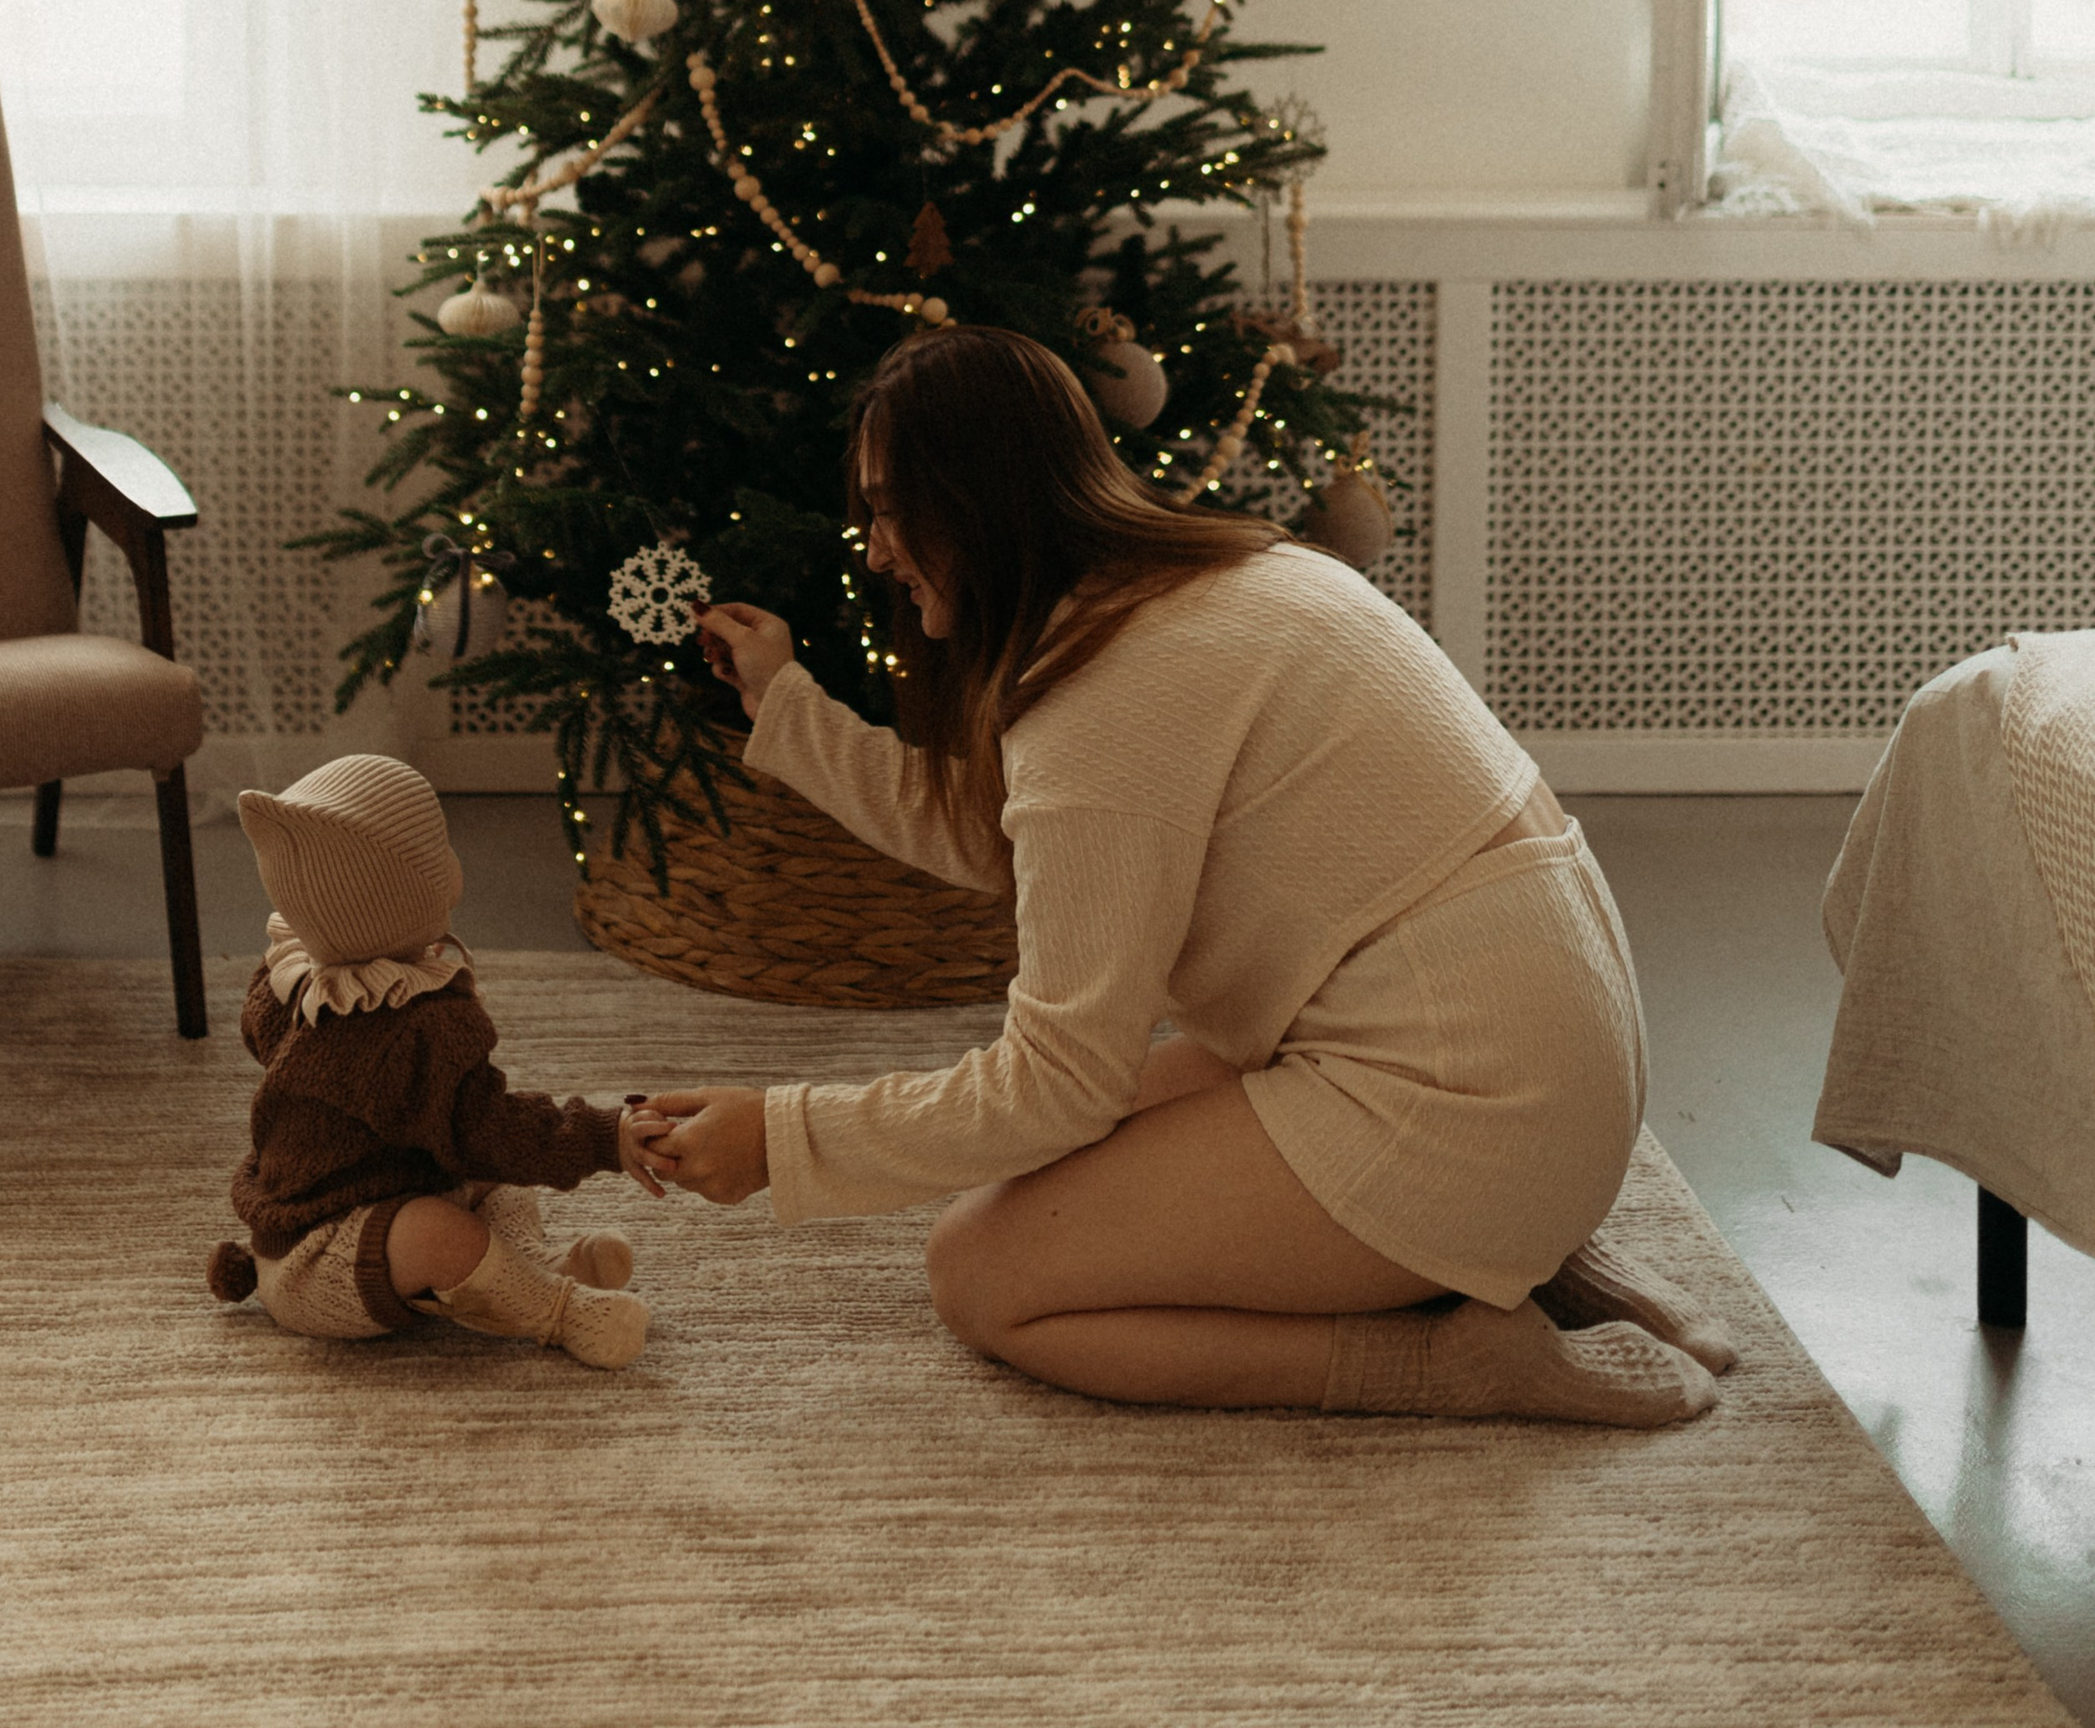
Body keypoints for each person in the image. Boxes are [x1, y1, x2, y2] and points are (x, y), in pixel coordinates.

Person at [640, 325, 1733, 1422]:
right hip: (1550, 1065)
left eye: (888, 510)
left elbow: (1054, 1083)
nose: (876, 551)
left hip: (1479, 1113)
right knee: (1057, 1166)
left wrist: (782, 1137)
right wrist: (785, 704)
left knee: (984, 1271)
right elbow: (1015, 840)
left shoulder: (1105, 696)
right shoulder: (1230, 572)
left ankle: (1451, 1355)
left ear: (975, 503)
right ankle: (1530, 1246)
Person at [204, 752, 668, 1368]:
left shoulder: (292, 976)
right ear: (420, 890)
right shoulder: (412, 1028)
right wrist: (605, 1137)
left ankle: (531, 1265)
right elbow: (492, 1129)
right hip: (319, 1259)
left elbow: (261, 1036)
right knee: (441, 1225)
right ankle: (557, 1310)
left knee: (496, 1180)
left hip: (371, 1190)